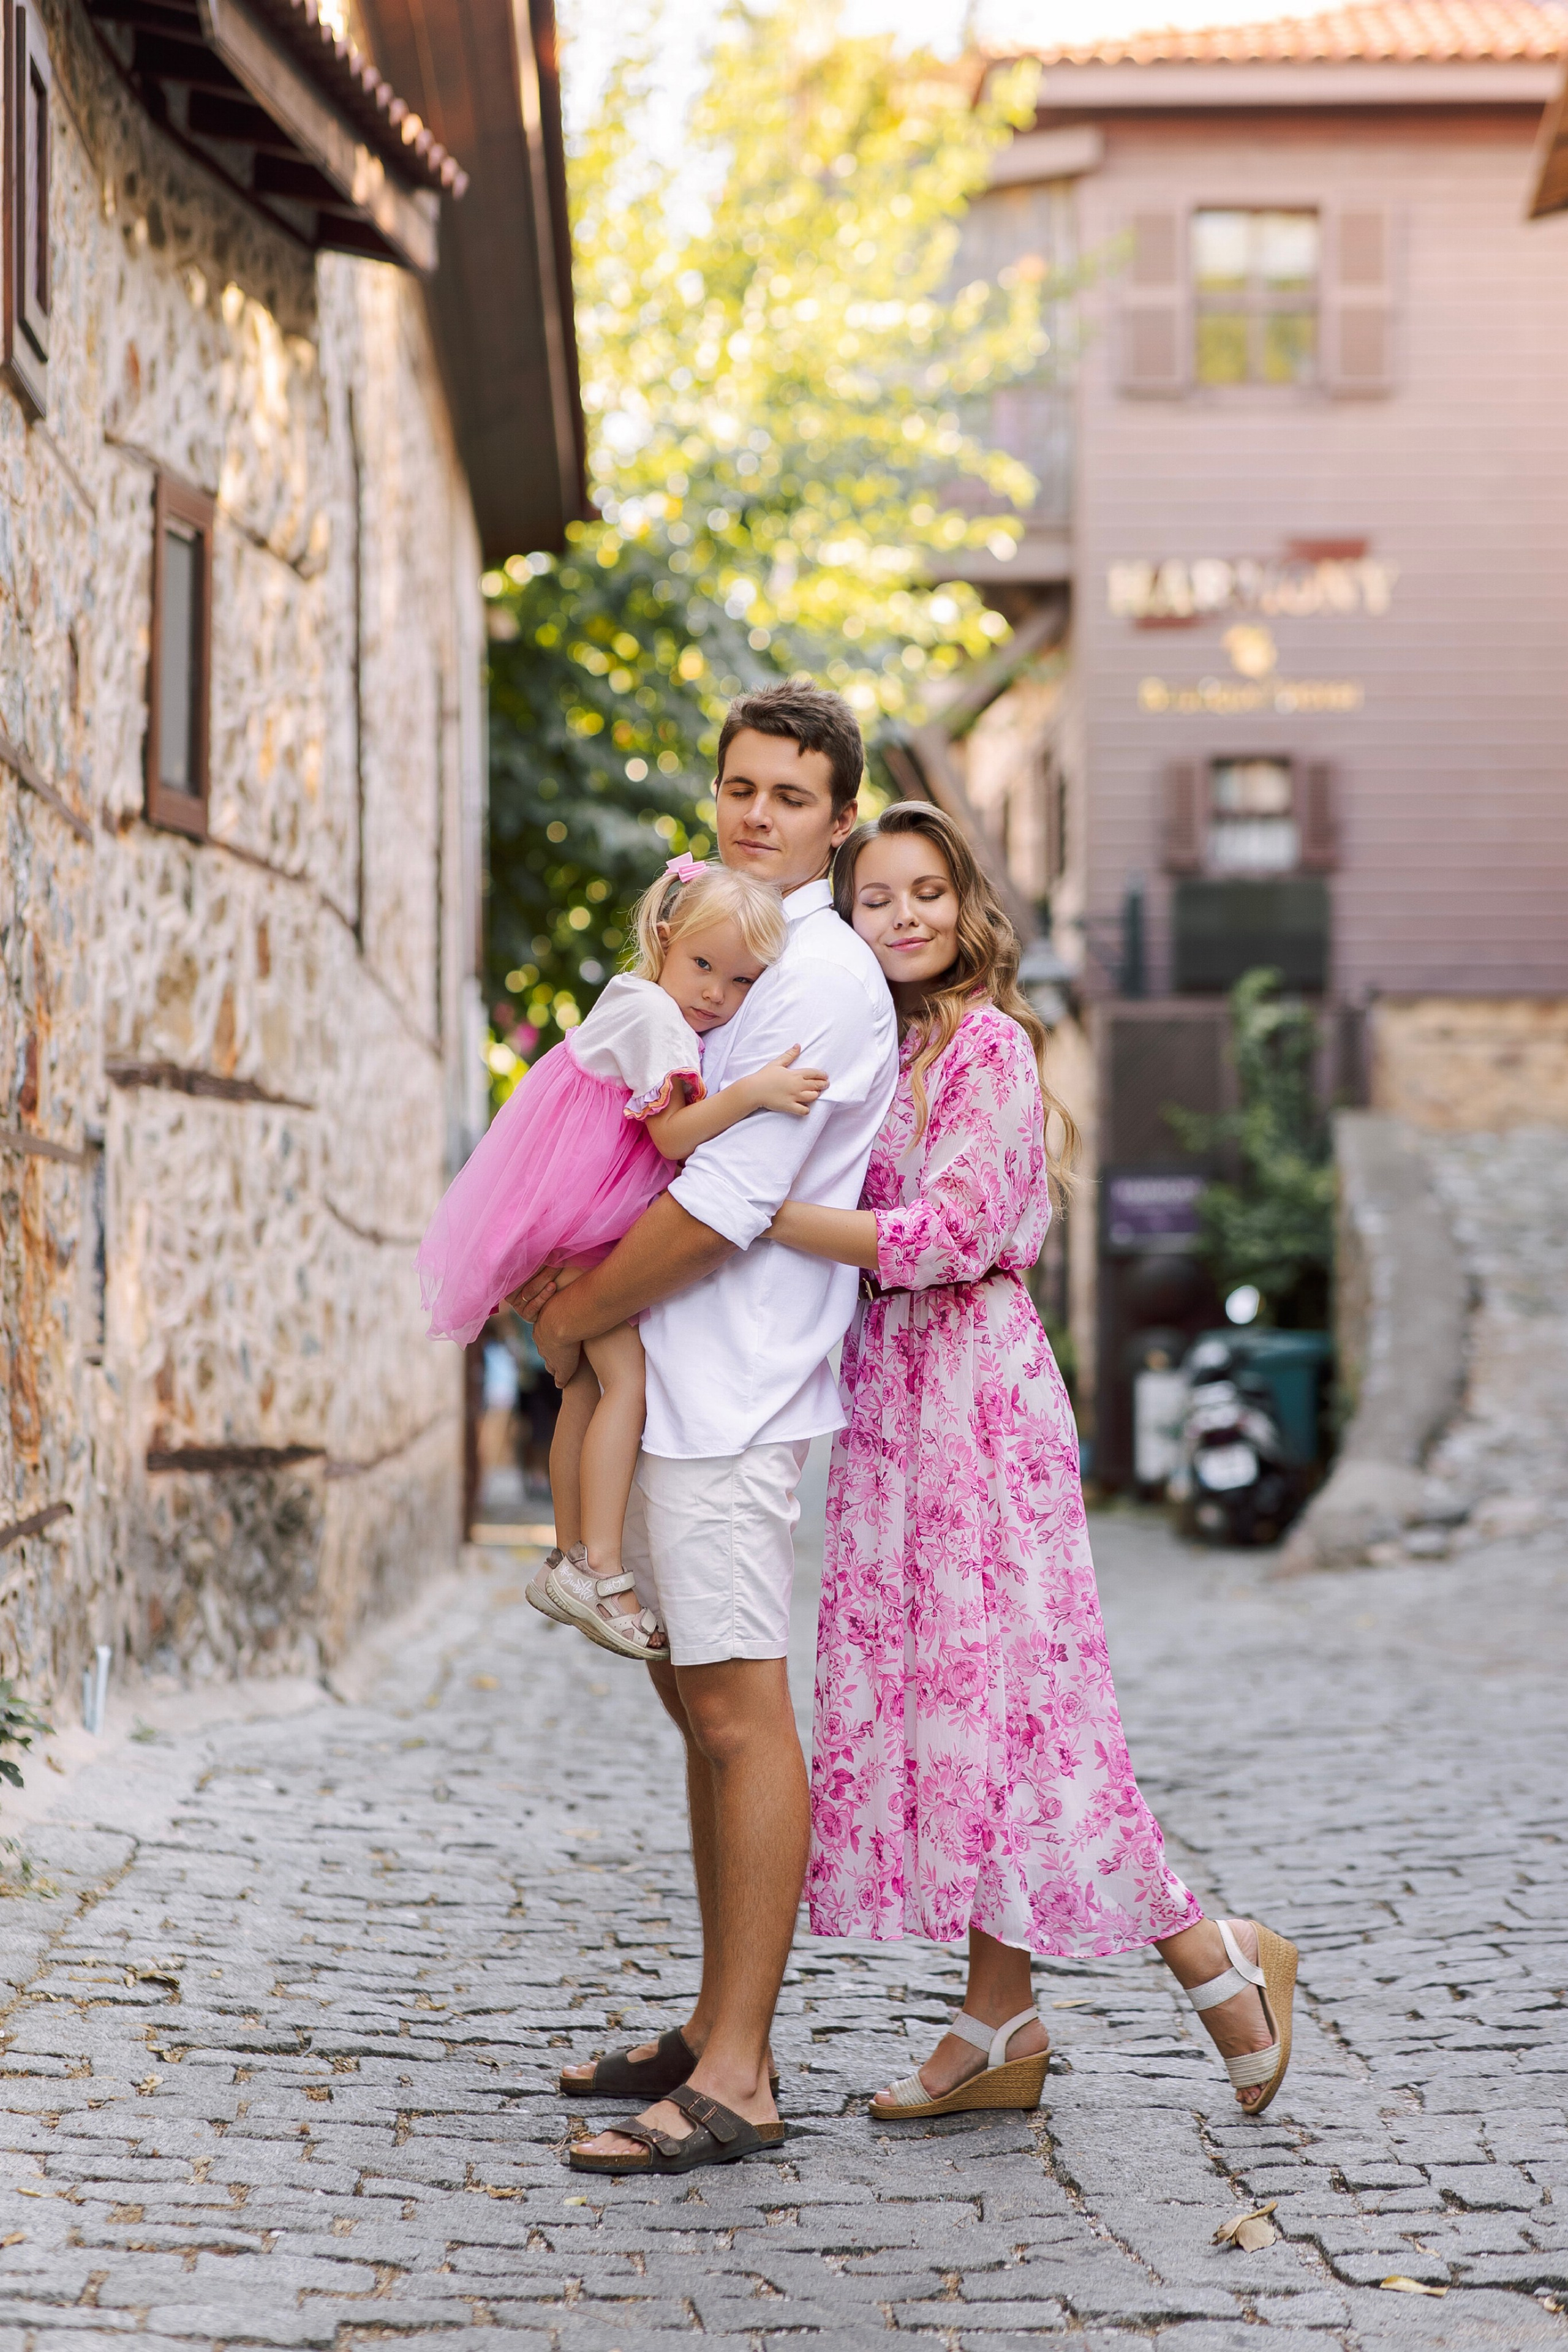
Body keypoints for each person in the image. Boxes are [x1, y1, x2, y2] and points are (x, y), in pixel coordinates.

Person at [766, 803, 1298, 2122]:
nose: (901, 916)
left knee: (1022, 1711)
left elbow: (946, 1232)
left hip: (977, 1401)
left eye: (925, 891)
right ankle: (995, 2021)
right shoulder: (867, 1053)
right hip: (894, 1406)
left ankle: (1208, 1952)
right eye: (873, 896)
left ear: (964, 907)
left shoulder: (990, 1046)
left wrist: (767, 1218)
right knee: (957, 1723)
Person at [516, 680, 898, 2177]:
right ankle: (709, 2022)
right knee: (698, 1715)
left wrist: (565, 1316)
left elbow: (728, 1212)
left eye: (790, 796)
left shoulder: (813, 979)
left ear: (839, 819)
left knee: (739, 1715)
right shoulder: (731, 949)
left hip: (734, 1396)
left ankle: (737, 2075)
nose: (756, 812)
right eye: (740, 786)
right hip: (674, 1384)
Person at [417, 861, 827, 1660]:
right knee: (628, 1386)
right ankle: (598, 1566)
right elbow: (672, 1138)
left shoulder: (646, 1006)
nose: (715, 994)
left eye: (741, 982)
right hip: (585, 1215)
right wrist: (758, 1091)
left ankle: (573, 1557)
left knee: (588, 1386)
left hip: (577, 1210)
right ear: (664, 940)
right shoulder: (658, 1022)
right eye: (703, 966)